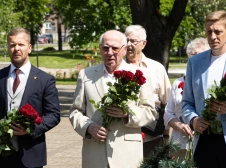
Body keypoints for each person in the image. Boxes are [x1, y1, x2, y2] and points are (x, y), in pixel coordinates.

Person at [69, 30, 157, 168]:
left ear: (124, 49)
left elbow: (150, 112)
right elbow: (75, 111)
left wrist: (128, 113)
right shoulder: (86, 75)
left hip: (127, 156)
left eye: (115, 48)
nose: (110, 52)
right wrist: (88, 127)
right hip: (95, 154)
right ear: (100, 49)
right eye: (105, 48)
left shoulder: (139, 75)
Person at [0, 28, 61, 168]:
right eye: (12, 45)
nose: (16, 49)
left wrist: (31, 129)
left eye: (21, 44)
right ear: (8, 48)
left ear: (29, 48)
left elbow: (53, 115)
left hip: (31, 156)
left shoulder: (45, 80)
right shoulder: (0, 76)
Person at [182, 11, 226, 167]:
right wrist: (193, 120)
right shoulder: (195, 62)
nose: (212, 37)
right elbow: (187, 102)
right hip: (204, 141)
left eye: (218, 32)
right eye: (209, 32)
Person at [124, 25, 171, 157]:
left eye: (133, 41)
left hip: (152, 137)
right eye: (126, 41)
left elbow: (167, 104)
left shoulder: (157, 69)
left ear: (143, 44)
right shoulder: (116, 68)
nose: (128, 45)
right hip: (123, 136)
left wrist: (166, 134)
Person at [164, 37, 210, 161]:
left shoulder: (212, 85)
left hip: (205, 143)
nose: (196, 58)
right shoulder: (177, 83)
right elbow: (168, 114)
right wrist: (180, 125)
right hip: (180, 144)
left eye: (201, 55)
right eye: (193, 54)